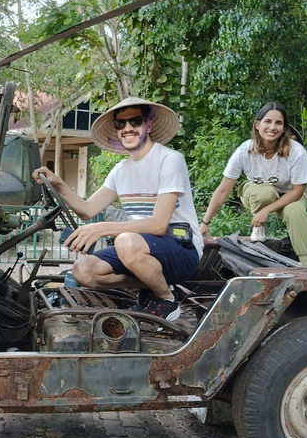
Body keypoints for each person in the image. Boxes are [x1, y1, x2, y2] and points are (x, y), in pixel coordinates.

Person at [33, 97, 203, 322]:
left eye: (136, 121)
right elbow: (86, 209)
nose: (128, 128)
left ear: (149, 125)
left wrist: (103, 229)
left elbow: (159, 224)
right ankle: (152, 283)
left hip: (180, 247)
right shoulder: (120, 170)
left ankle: (166, 298)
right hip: (139, 251)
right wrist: (58, 183)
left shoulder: (169, 160)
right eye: (121, 124)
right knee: (82, 270)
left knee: (125, 241)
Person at [199, 102, 307, 263]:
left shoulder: (296, 151)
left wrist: (266, 211)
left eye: (278, 123)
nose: (272, 127)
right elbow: (224, 189)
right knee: (265, 192)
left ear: (284, 128)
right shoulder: (244, 150)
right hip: (257, 193)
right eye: (268, 121)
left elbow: (297, 191)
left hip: (290, 195)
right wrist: (205, 222)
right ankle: (259, 227)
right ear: (258, 124)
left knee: (296, 211)